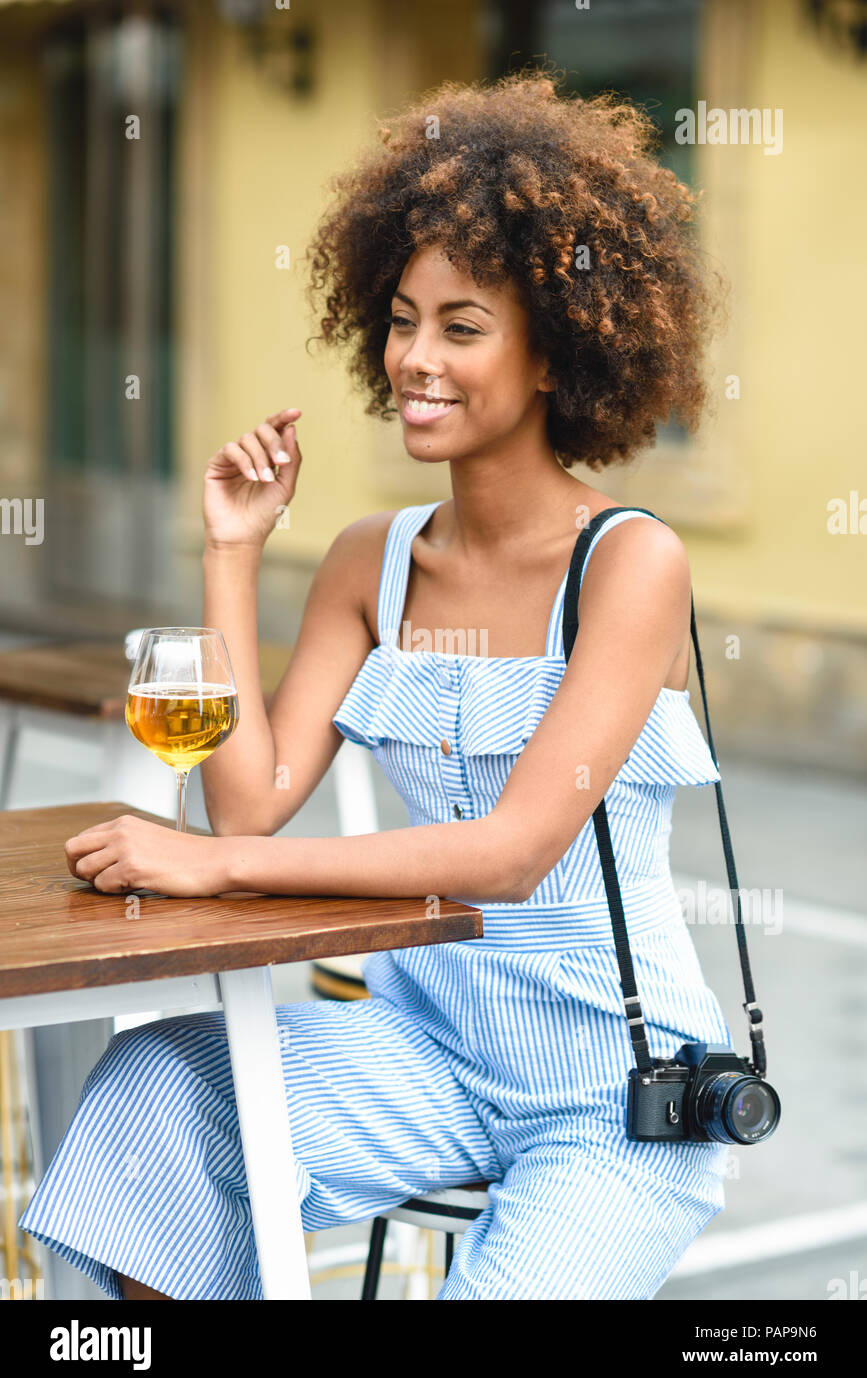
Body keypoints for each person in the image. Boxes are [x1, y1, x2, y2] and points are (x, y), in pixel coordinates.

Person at [19, 70, 734, 1300]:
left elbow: (505, 853)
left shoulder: (631, 564)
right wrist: (231, 549)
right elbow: (253, 800)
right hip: (420, 1053)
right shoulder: (371, 560)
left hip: (615, 1094)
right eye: (402, 320)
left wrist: (211, 868)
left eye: (462, 327)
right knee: (154, 1094)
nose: (415, 357)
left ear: (556, 352)